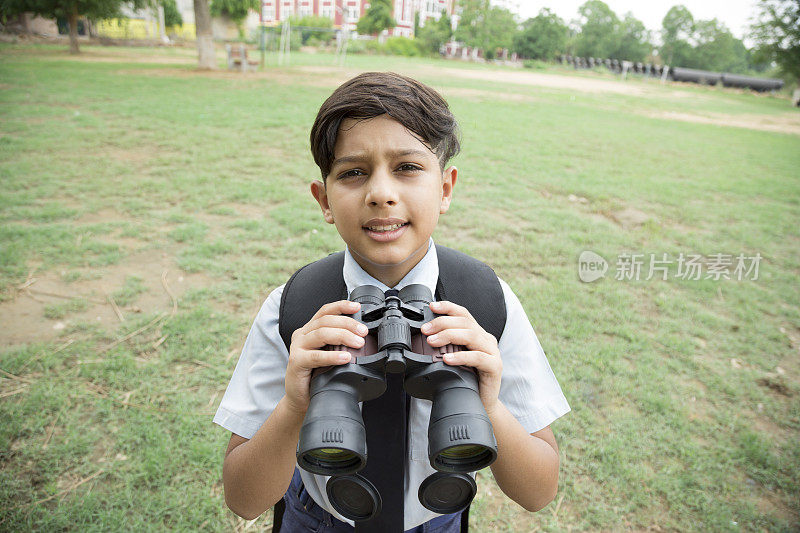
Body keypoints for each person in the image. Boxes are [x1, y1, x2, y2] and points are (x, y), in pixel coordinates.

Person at [213, 72, 570, 532]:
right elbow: (244, 500)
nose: (381, 193)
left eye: (407, 167)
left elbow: (538, 492)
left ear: (445, 189)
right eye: (353, 172)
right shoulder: (295, 309)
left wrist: (491, 406)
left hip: (434, 518)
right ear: (324, 200)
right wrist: (293, 406)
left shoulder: (485, 302)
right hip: (321, 518)